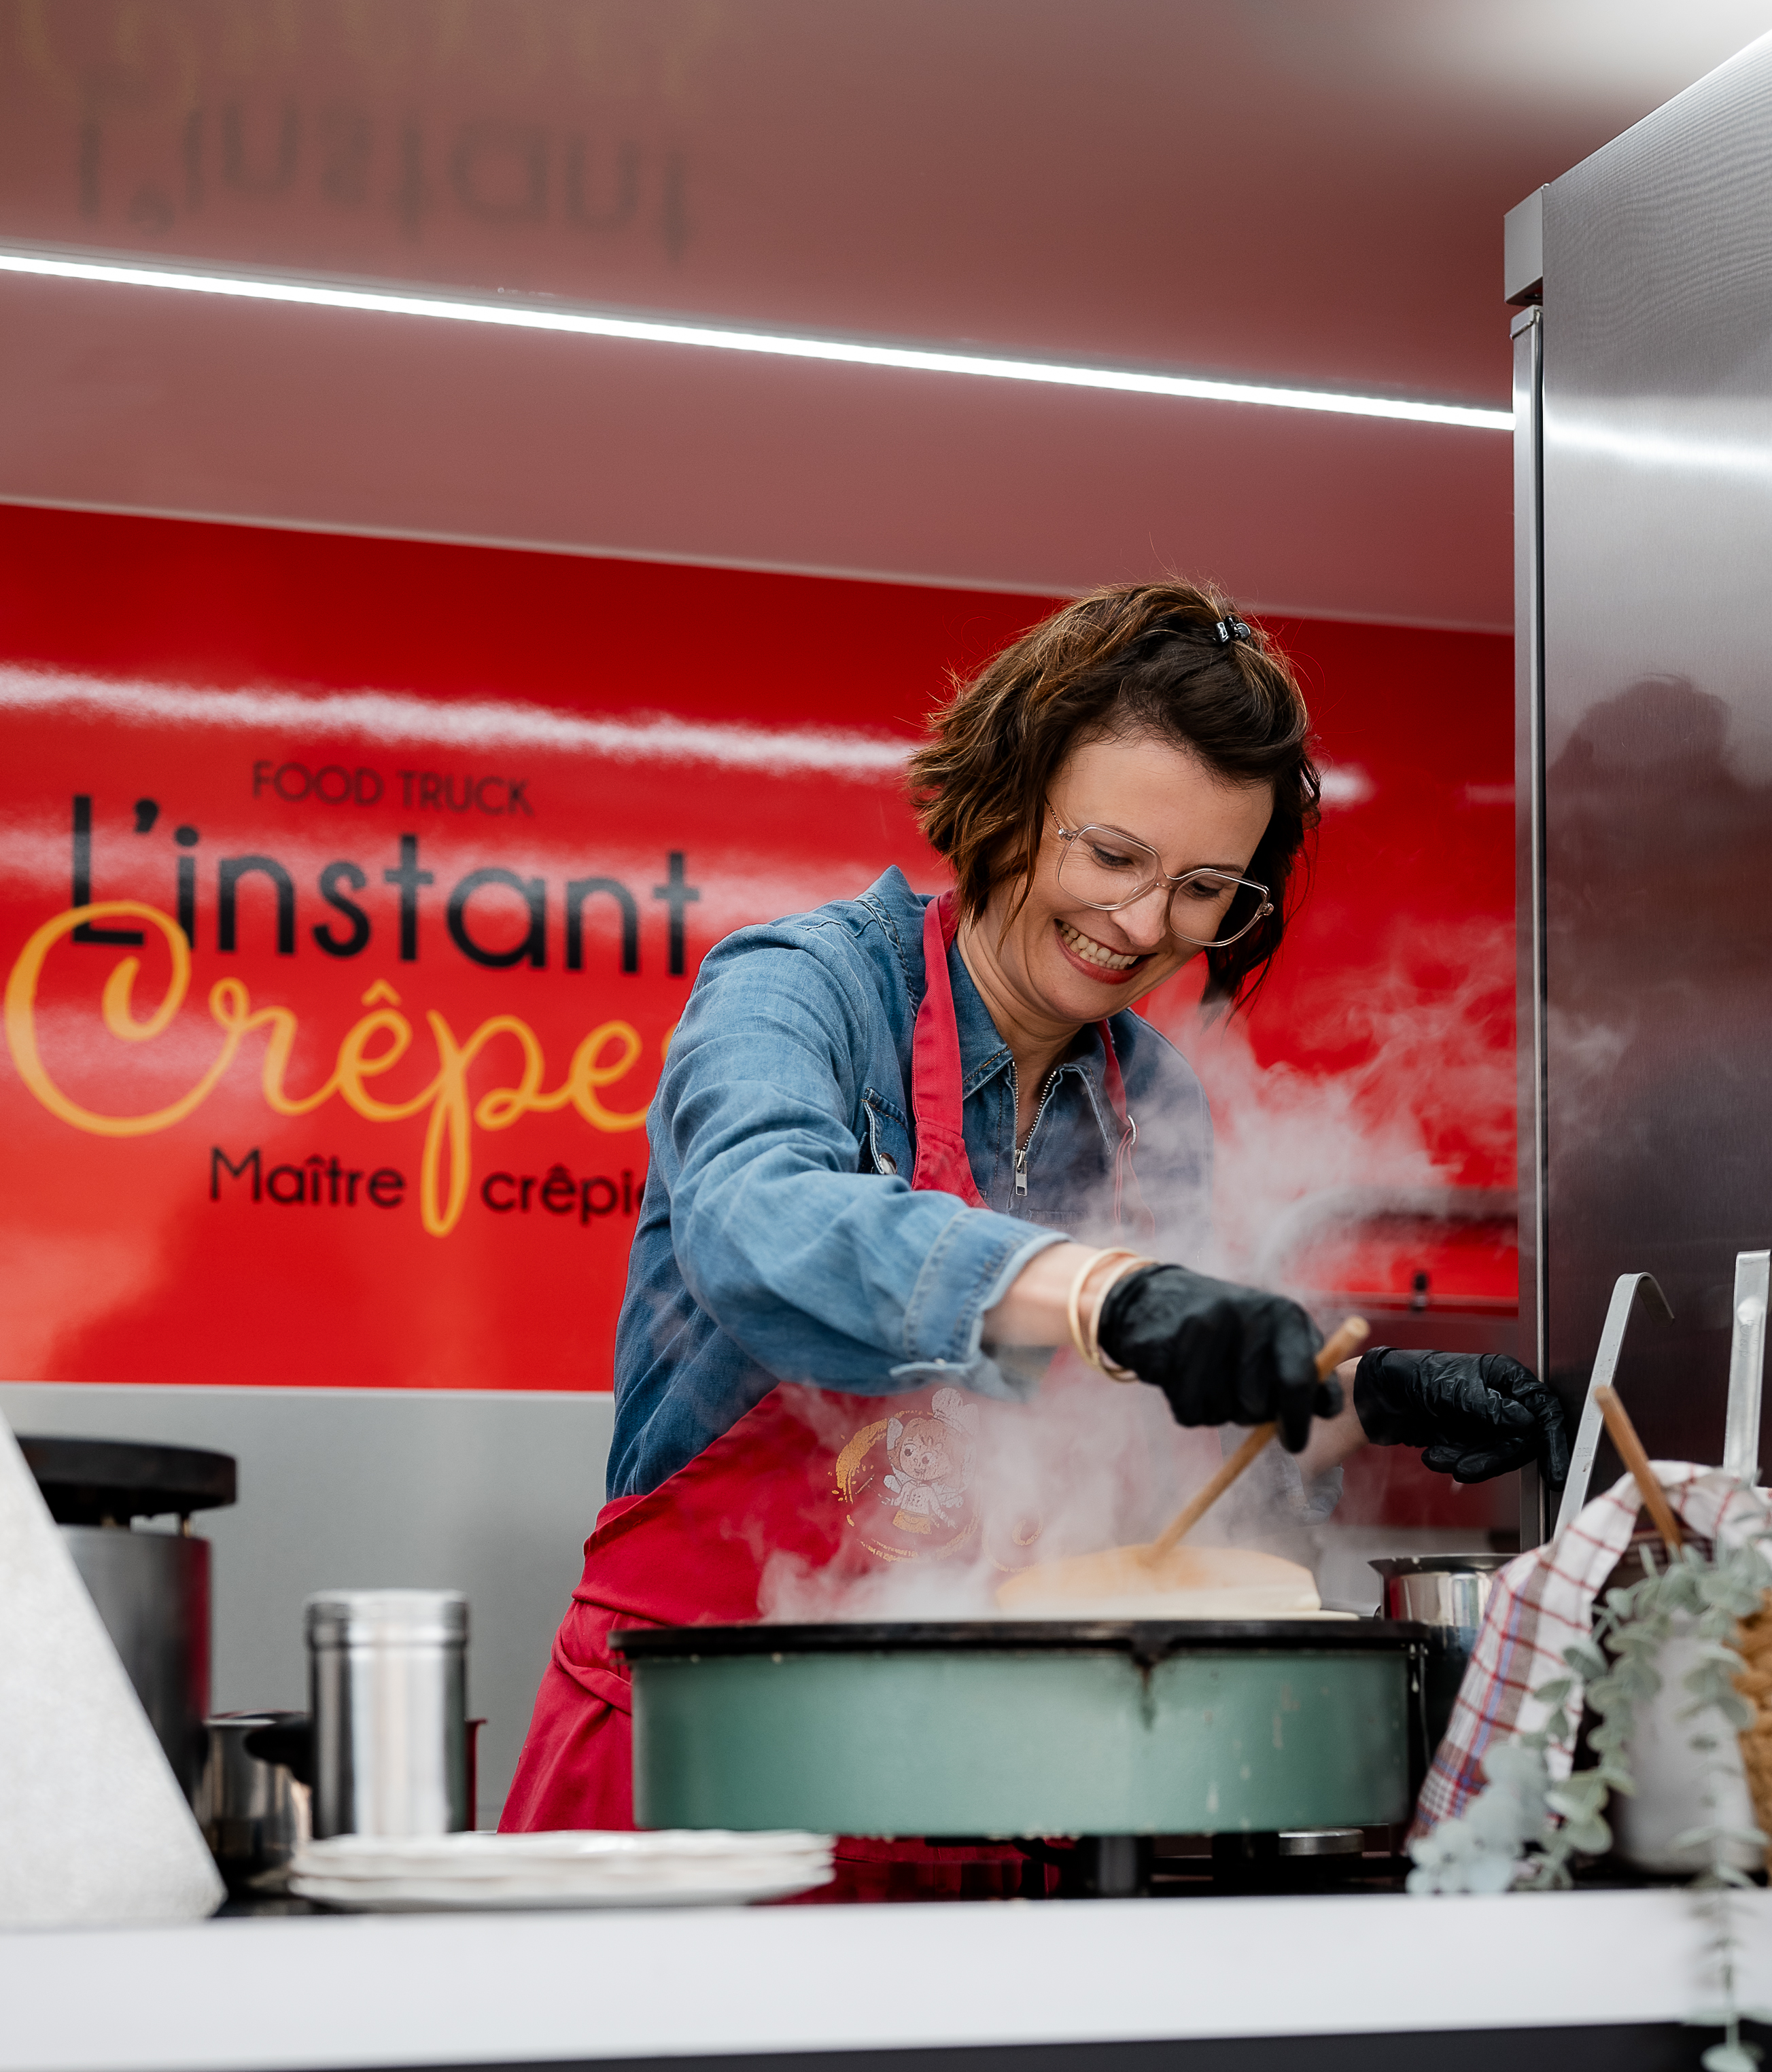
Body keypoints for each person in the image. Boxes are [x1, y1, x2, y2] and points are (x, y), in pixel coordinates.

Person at [504, 582, 1568, 1852]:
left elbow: (1138, 1474)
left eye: (1204, 888)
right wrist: (1108, 1295)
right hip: (696, 1766)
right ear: (1008, 798)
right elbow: (759, 1224)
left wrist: (1346, 1400)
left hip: (980, 1773)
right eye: (1111, 856)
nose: (1140, 925)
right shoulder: (802, 988)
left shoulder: (1150, 1098)